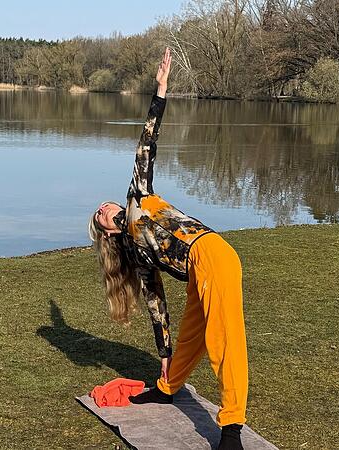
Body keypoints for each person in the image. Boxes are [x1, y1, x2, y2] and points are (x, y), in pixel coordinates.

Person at [88, 48, 248, 450]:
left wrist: (160, 91)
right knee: (192, 338)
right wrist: (164, 353)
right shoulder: (138, 256)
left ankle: (231, 427)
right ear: (106, 234)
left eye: (103, 206)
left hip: (211, 253)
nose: (104, 209)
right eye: (99, 215)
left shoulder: (138, 196)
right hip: (197, 272)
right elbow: (155, 302)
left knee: (224, 340)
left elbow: (147, 144)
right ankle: (166, 388)